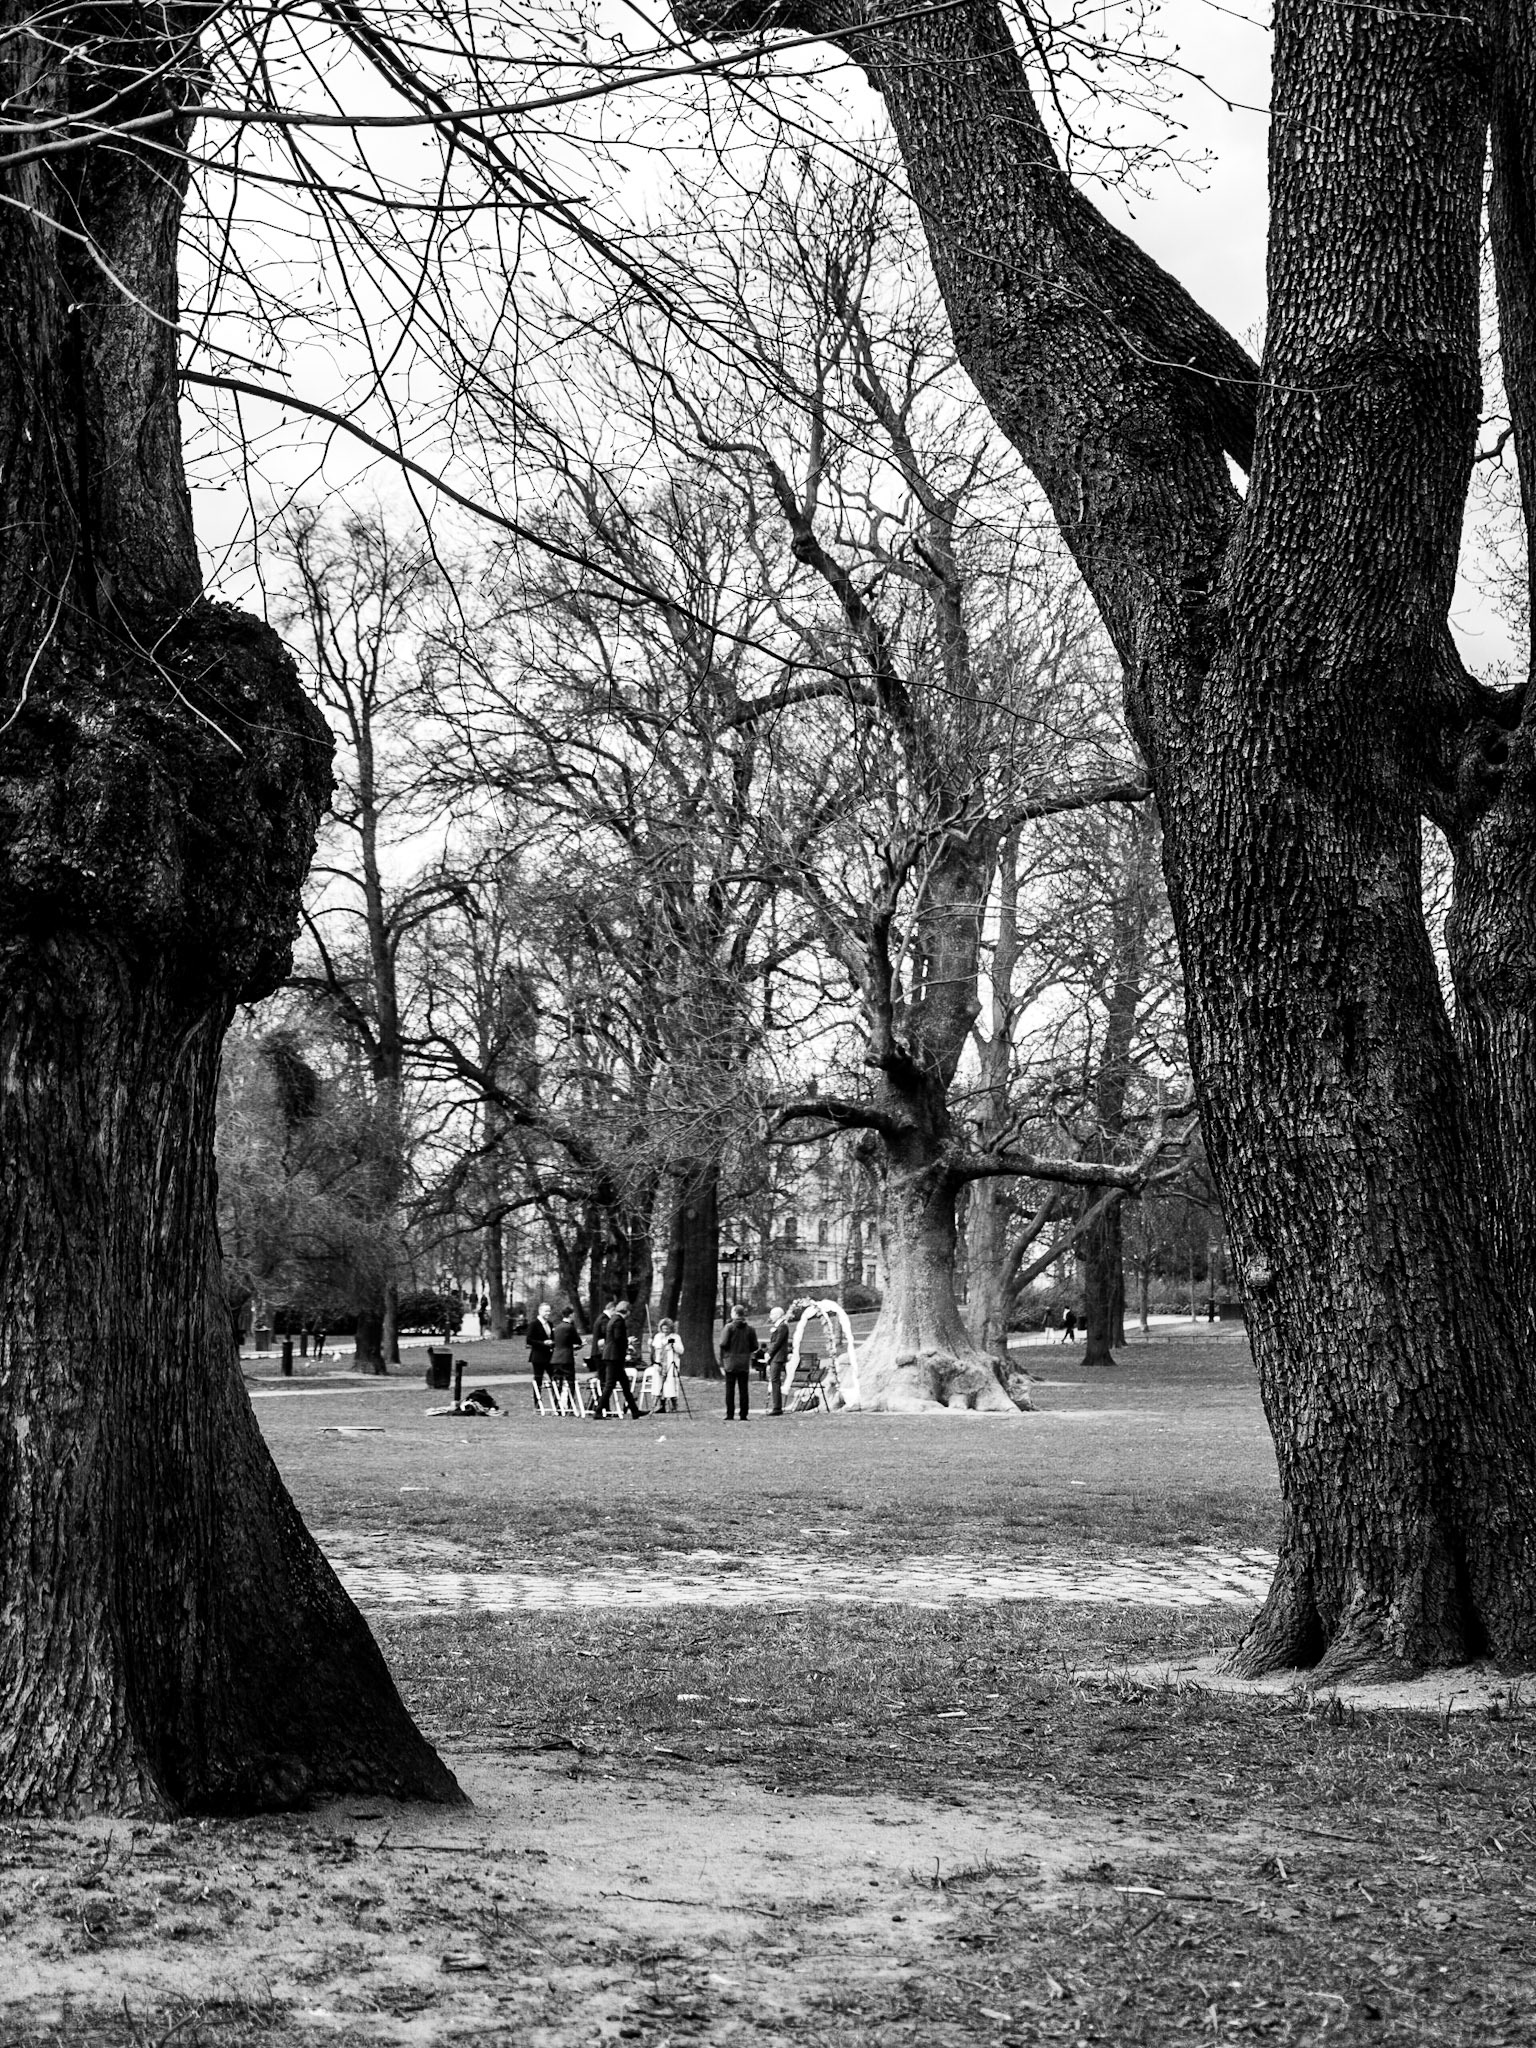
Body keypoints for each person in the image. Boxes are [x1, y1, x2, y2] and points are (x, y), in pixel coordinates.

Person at [596, 1297, 642, 1419]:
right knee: (610, 1384)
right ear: (627, 1311)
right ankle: (598, 1411)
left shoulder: (613, 1319)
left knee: (625, 1384)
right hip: (614, 1357)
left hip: (611, 1356)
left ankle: (635, 1411)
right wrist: (628, 1341)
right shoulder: (618, 1321)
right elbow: (618, 1338)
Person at [720, 1302, 758, 1421]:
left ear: (735, 1314)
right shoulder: (750, 1329)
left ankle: (730, 1413)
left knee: (730, 1389)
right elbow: (755, 1346)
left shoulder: (729, 1327)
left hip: (730, 1361)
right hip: (744, 1362)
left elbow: (723, 1343)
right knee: (743, 1389)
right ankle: (743, 1414)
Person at [549, 1309, 580, 1414]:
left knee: (557, 1383)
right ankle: (570, 1405)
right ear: (571, 1315)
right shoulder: (570, 1327)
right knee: (571, 1382)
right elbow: (577, 1341)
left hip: (555, 1358)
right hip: (566, 1358)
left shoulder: (557, 1327)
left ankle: (556, 1406)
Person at [526, 1300, 555, 1411]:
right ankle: (537, 1403)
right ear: (540, 1311)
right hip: (538, 1357)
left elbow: (553, 1337)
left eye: (549, 1311)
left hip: (549, 1356)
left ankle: (557, 1402)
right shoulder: (534, 1324)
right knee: (538, 1379)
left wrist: (552, 1342)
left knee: (554, 1378)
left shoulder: (550, 1324)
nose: (548, 1313)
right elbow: (529, 1340)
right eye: (546, 1311)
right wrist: (543, 1343)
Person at [653, 1318, 683, 1413]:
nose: (665, 1331)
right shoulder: (658, 1336)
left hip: (671, 1363)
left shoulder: (676, 1337)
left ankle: (674, 1404)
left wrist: (673, 1344)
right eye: (663, 1329)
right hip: (660, 1363)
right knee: (659, 1384)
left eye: (667, 1329)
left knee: (671, 1384)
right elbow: (656, 1348)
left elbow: (681, 1350)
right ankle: (661, 1405)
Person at [764, 1305, 790, 1416]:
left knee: (775, 1380)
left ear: (778, 1315)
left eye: (772, 1314)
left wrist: (769, 1353)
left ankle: (777, 1407)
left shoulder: (782, 1326)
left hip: (778, 1357)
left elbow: (777, 1342)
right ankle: (776, 1406)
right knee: (774, 1380)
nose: (770, 1316)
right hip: (775, 1356)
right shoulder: (778, 1326)